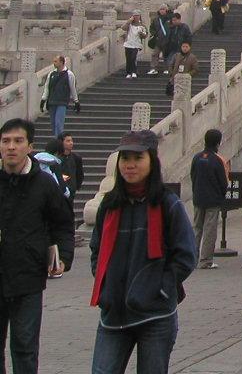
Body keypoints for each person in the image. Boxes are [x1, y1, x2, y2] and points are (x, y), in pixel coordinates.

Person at [88, 129, 195, 374]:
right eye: (125, 158)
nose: (130, 165)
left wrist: (161, 287)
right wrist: (105, 284)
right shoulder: (110, 205)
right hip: (113, 313)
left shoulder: (167, 203)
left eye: (138, 158)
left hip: (156, 315)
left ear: (152, 160)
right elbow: (96, 249)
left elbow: (186, 255)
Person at [0, 117, 75, 374]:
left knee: (24, 348)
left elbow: (63, 223)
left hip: (28, 278)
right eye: (6, 141)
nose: (11, 147)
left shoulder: (44, 183)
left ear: (29, 146)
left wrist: (63, 256)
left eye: (18, 141)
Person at [189, 129, 228, 269]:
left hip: (198, 198)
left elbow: (192, 176)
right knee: (209, 230)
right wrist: (221, 196)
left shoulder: (197, 157)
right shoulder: (217, 160)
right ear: (218, 143)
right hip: (213, 200)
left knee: (196, 228)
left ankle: (192, 259)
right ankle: (206, 260)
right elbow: (223, 182)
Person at [39, 54, 79, 139]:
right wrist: (43, 100)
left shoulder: (69, 74)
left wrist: (76, 101)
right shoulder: (51, 74)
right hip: (52, 101)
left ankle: (59, 142)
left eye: (56, 61)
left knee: (58, 123)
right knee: (53, 124)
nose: (54, 63)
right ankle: (57, 139)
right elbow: (47, 87)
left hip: (62, 102)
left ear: (61, 62)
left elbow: (72, 88)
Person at [54, 133, 85, 201]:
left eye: (71, 141)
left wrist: (76, 186)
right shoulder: (56, 158)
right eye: (68, 141)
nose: (71, 143)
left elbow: (79, 174)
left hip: (71, 190)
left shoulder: (76, 158)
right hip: (59, 190)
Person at [120, 10, 147, 79]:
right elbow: (123, 28)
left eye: (137, 15)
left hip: (136, 44)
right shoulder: (129, 24)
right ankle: (128, 72)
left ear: (140, 16)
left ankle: (134, 72)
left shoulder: (142, 25)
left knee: (133, 57)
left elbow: (145, 35)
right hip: (128, 44)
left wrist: (141, 34)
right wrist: (129, 21)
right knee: (128, 58)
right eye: (134, 15)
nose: (136, 17)